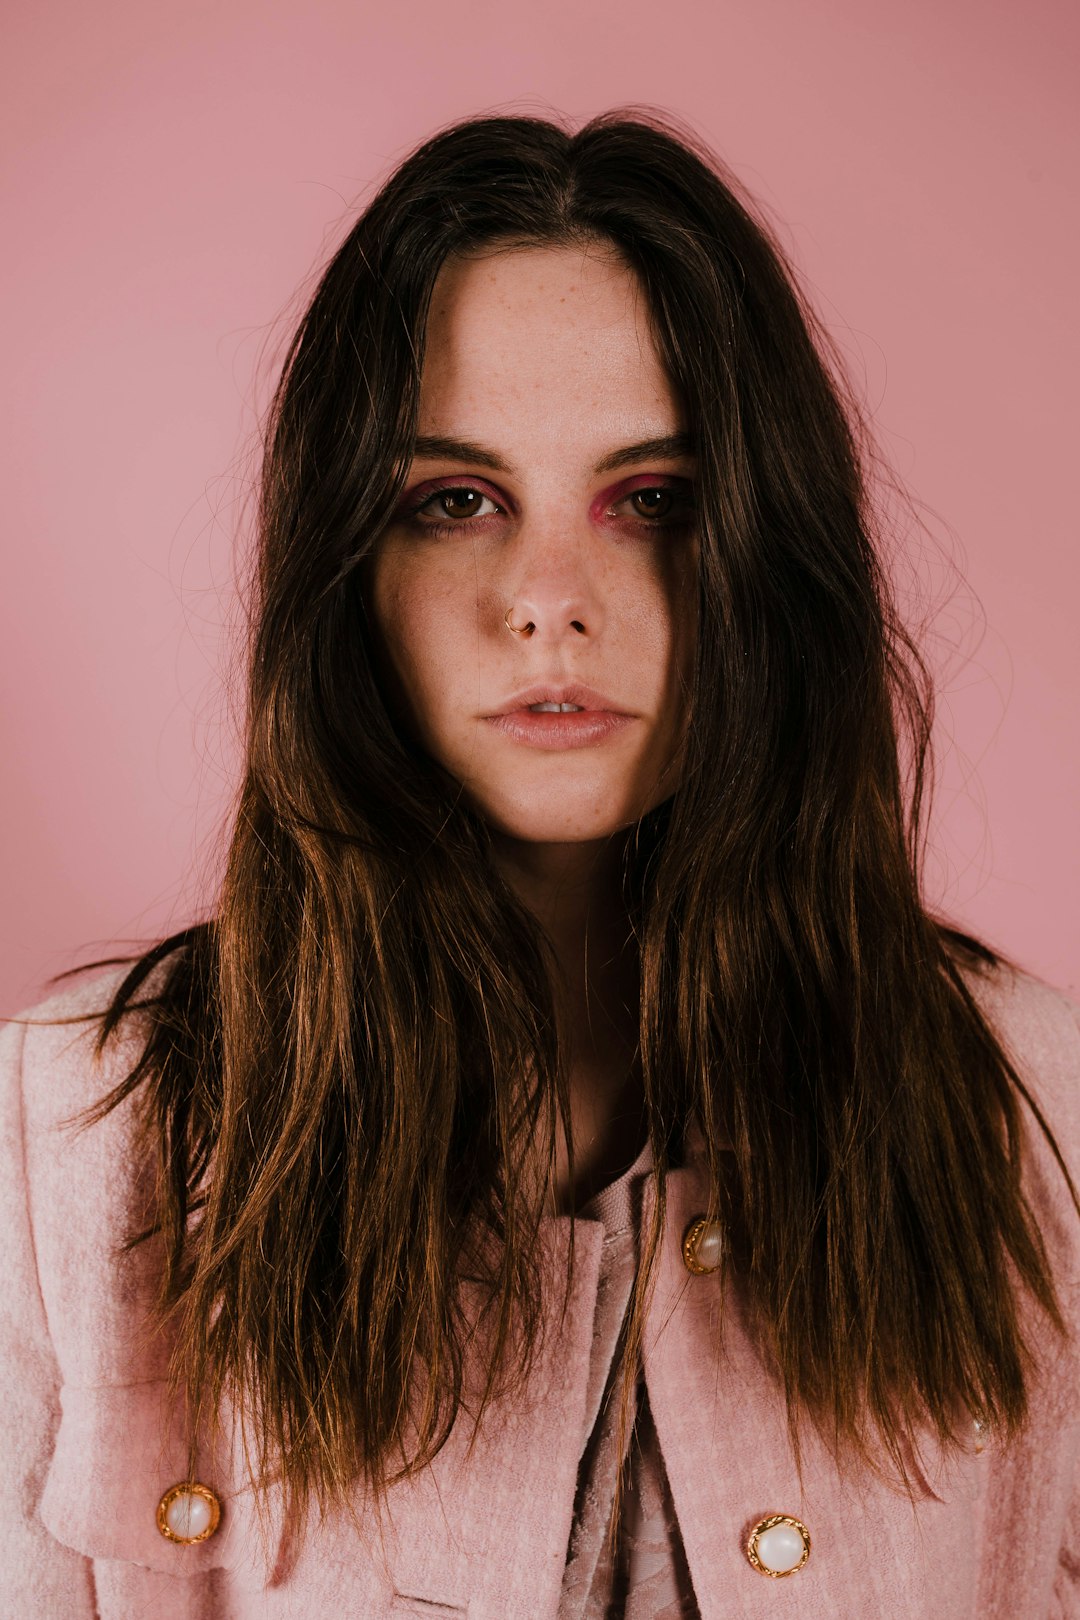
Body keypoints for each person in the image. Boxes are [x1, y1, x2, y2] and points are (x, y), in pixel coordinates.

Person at [1, 106, 1078, 1620]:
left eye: (652, 502)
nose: (548, 602)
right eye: (455, 502)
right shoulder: (56, 1150)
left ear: (769, 556)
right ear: (346, 565)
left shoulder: (1040, 1115)